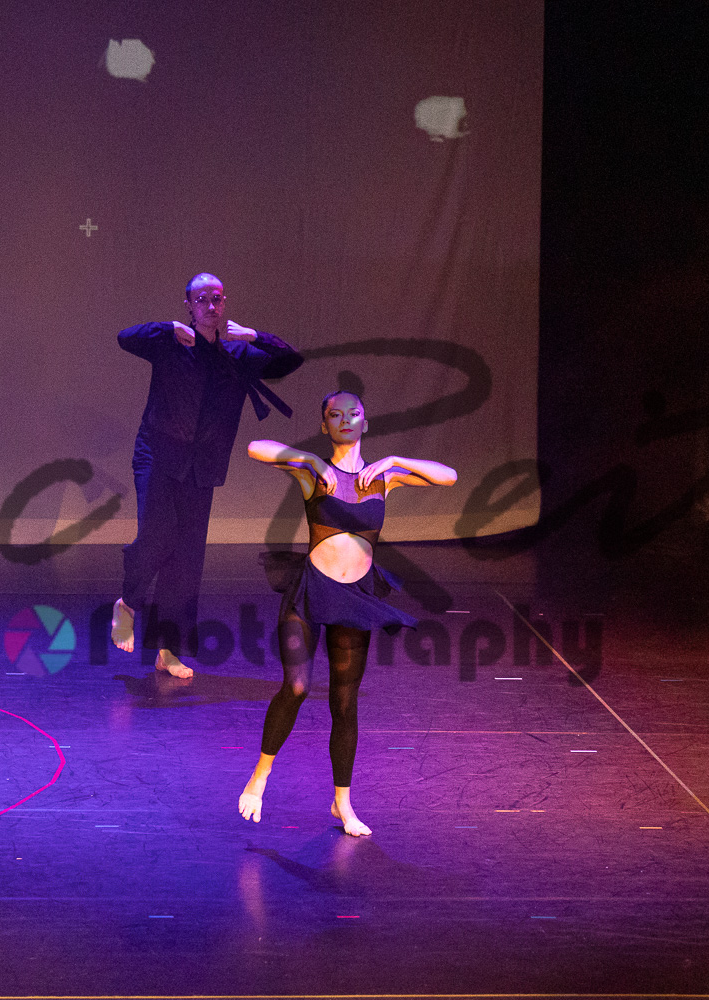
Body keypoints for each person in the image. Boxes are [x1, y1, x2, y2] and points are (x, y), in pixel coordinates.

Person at [237, 391, 457, 836]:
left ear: (364, 423)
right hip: (309, 591)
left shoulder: (383, 477)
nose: (345, 420)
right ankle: (260, 775)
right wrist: (308, 459)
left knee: (344, 702)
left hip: (354, 597)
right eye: (334, 415)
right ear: (325, 426)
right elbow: (255, 447)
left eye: (353, 414)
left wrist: (395, 460)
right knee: (297, 686)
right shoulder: (313, 474)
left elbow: (448, 477)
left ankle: (342, 803)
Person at [109, 273, 303, 678]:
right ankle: (127, 603)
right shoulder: (171, 343)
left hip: (202, 466)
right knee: (157, 535)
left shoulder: (237, 353)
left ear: (224, 302)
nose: (211, 306)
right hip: (158, 455)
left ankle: (168, 650)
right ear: (189, 305)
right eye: (202, 299)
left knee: (186, 560)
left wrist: (255, 336)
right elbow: (125, 338)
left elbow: (290, 361)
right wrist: (167, 328)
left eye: (217, 298)